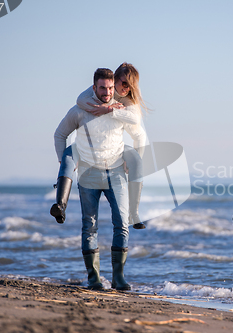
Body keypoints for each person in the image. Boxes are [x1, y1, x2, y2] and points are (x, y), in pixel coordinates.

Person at [53, 68, 143, 290]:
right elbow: (60, 134)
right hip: (88, 175)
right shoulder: (81, 110)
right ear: (94, 87)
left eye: (111, 88)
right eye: (102, 87)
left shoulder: (120, 110)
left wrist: (131, 163)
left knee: (122, 224)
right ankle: (94, 279)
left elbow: (139, 135)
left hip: (116, 174)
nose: (107, 92)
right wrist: (65, 163)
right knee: (89, 226)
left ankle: (118, 278)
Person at [50, 63, 148, 230]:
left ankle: (134, 213)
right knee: (67, 156)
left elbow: (137, 127)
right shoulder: (90, 97)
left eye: (130, 86)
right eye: (123, 83)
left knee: (137, 162)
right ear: (113, 80)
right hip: (86, 151)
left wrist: (109, 110)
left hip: (113, 151)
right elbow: (79, 100)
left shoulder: (126, 102)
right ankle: (60, 206)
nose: (126, 88)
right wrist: (99, 108)